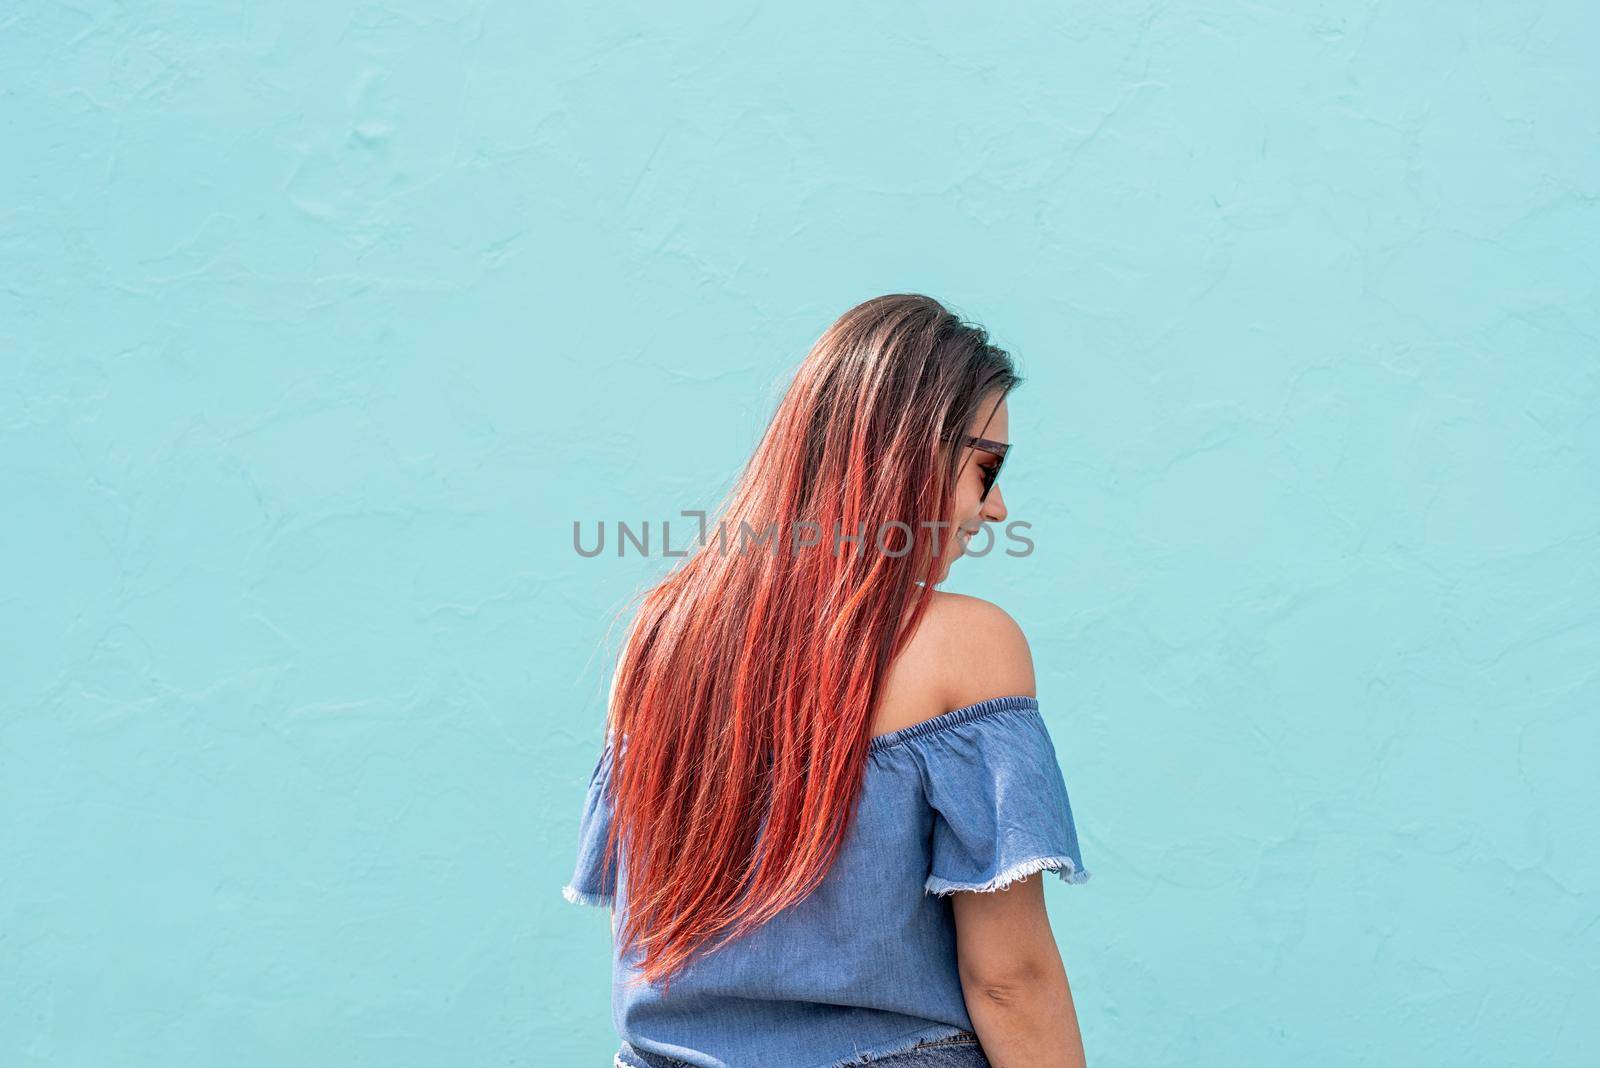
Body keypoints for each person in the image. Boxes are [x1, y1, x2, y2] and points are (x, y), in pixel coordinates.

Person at [563, 294, 1092, 1068]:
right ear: (905, 456)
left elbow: (647, 944)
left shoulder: (658, 638)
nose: (997, 508)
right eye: (985, 467)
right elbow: (1009, 977)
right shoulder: (967, 645)